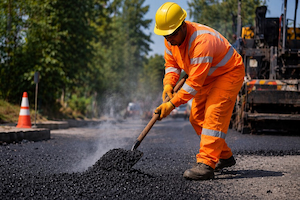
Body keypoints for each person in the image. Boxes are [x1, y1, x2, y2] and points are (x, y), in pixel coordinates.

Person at [154, 2, 245, 180]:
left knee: (213, 114)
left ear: (182, 26)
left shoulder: (202, 41)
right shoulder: (170, 41)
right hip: (207, 76)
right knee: (196, 118)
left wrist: (171, 105)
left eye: (171, 35)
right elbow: (172, 65)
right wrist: (168, 86)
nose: (168, 39)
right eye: (165, 36)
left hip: (228, 73)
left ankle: (206, 164)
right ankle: (224, 156)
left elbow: (193, 84)